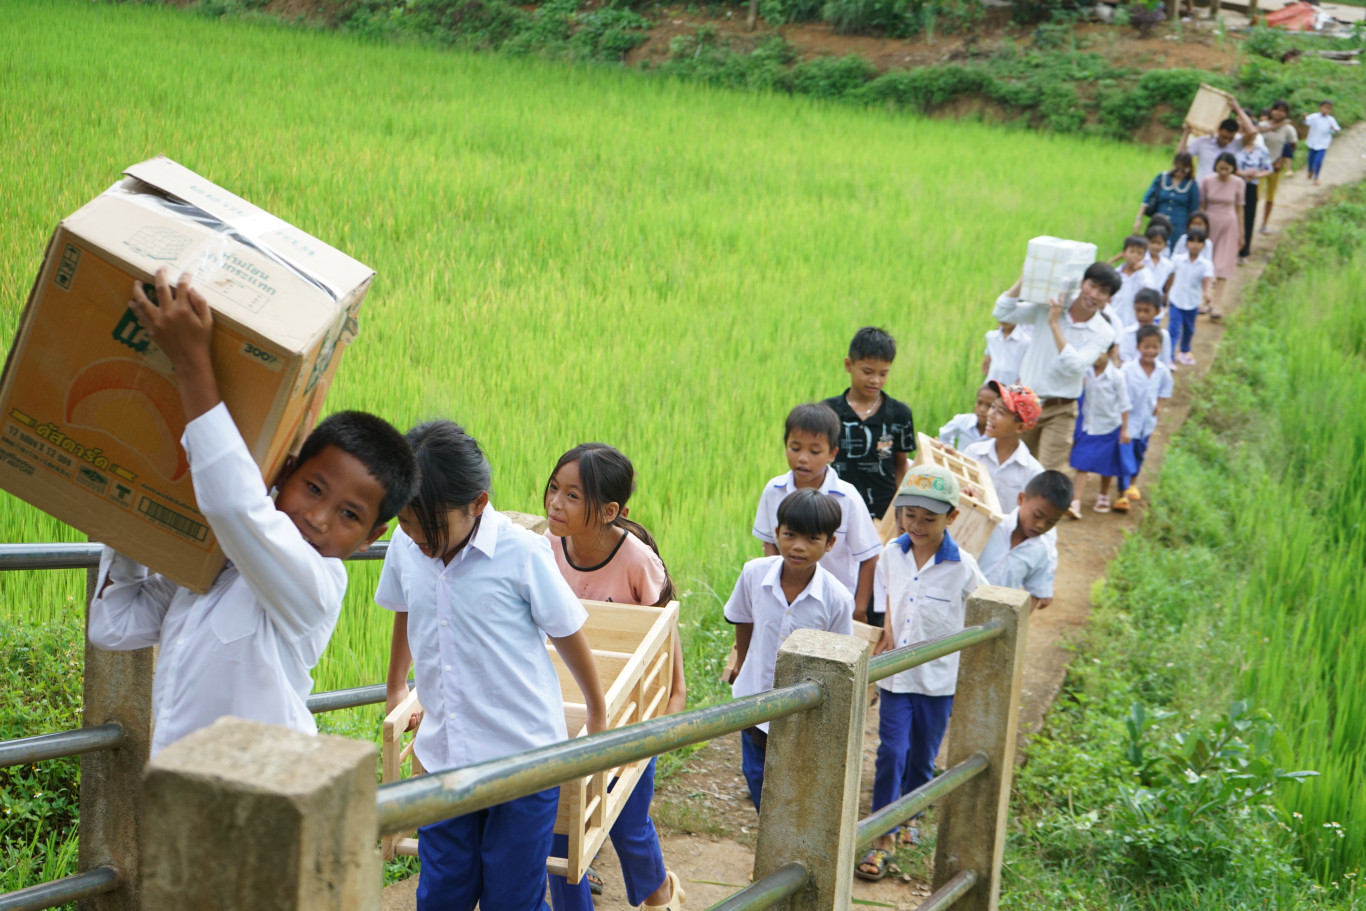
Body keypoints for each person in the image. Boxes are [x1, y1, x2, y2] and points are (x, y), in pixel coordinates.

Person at [88, 269, 419, 758]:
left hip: (265, 804)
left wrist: (191, 360)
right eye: (313, 488)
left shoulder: (317, 586)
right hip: (185, 798)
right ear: (284, 473)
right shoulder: (218, 560)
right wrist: (140, 502)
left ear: (371, 537)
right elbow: (113, 623)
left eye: (349, 515)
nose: (320, 518)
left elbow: (233, 504)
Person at [379, 421, 608, 911]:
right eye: (405, 522)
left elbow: (567, 631)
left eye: (429, 526)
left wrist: (596, 711)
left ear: (477, 504)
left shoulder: (520, 552)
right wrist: (398, 685)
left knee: (512, 898)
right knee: (442, 893)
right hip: (444, 757)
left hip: (522, 761)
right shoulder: (406, 545)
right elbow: (403, 608)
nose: (417, 536)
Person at [542, 444, 686, 911]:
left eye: (572, 496)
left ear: (608, 511)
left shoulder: (637, 561)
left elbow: (664, 638)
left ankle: (661, 895)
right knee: (562, 830)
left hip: (628, 708)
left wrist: (672, 703)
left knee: (627, 822)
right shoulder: (545, 549)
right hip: (564, 707)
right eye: (554, 489)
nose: (555, 504)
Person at [856, 466, 986, 881]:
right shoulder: (891, 555)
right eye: (908, 514)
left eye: (928, 518)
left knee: (923, 755)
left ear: (952, 518)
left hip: (939, 680)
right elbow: (887, 603)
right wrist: (886, 635)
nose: (916, 525)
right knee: (891, 751)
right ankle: (883, 837)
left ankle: (913, 811)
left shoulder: (964, 568)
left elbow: (987, 608)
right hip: (897, 676)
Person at [727, 489, 853, 811]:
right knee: (756, 773)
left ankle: (784, 852)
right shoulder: (754, 573)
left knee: (793, 782)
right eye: (790, 535)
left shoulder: (836, 599)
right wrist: (741, 661)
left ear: (830, 544)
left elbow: (840, 657)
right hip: (756, 695)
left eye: (812, 539)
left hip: (804, 710)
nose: (798, 546)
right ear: (777, 532)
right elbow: (742, 618)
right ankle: (770, 848)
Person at [753, 403, 881, 621]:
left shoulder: (846, 497)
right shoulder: (774, 490)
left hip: (833, 608)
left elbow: (869, 556)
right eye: (795, 448)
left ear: (832, 453)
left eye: (814, 451)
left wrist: (859, 609)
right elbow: (770, 544)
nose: (803, 458)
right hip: (787, 604)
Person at [993, 262, 1121, 473]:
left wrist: (1054, 324)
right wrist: (1025, 277)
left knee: (1046, 474)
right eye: (1092, 285)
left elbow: (1075, 365)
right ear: (1082, 283)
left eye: (1103, 291)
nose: (1094, 294)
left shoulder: (1104, 332)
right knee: (1013, 467)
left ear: (1109, 299)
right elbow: (1003, 312)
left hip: (1060, 409)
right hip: (1025, 404)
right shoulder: (1050, 306)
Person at [823, 327, 916, 526]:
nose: (875, 380)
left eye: (883, 374)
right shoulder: (828, 412)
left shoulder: (899, 415)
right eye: (867, 372)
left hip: (884, 512)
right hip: (836, 508)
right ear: (849, 364)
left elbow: (901, 465)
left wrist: (903, 509)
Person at [977, 469, 1071, 612]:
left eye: (1051, 522)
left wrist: (1012, 621)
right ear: (1021, 499)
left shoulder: (1042, 552)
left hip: (991, 619)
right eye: (1037, 515)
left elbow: (1035, 593)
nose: (1041, 525)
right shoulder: (990, 525)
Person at [1068, 344, 1131, 517]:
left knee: (1107, 464)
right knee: (1082, 463)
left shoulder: (1117, 377)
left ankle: (1103, 495)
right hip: (1089, 424)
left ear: (1110, 352)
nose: (1095, 357)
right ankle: (1075, 501)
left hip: (1109, 425)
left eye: (1100, 352)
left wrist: (1124, 430)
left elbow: (1125, 404)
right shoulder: (1085, 373)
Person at [962, 382, 1044, 511]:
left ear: (1021, 427)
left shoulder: (1032, 472)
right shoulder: (973, 452)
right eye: (993, 406)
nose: (990, 414)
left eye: (1000, 412)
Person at [1120, 326, 1173, 504]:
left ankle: (1132, 483)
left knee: (1139, 453)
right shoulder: (1127, 369)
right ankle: (1123, 489)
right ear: (1138, 347)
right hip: (1128, 419)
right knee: (1124, 453)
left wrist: (1159, 404)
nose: (1151, 351)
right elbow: (1120, 393)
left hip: (1147, 421)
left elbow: (1166, 388)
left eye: (1155, 347)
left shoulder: (1162, 370)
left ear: (1160, 348)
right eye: (1146, 346)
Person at [1197, 152, 1245, 319]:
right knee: (1206, 263)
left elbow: (1240, 208)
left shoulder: (1238, 183)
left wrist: (1241, 232)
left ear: (1233, 169)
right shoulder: (1207, 181)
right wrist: (1198, 228)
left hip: (1229, 225)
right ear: (1215, 166)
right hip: (1209, 224)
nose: (1223, 172)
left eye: (1227, 169)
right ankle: (1204, 300)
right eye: (1220, 168)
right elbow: (1202, 206)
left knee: (1223, 265)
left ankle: (1216, 304)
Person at [1134, 152, 1200, 250]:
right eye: (1177, 168)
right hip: (1158, 223)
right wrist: (1138, 219)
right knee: (1153, 249)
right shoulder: (1162, 177)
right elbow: (1147, 198)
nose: (1179, 172)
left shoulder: (1191, 184)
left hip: (1179, 227)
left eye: (1184, 170)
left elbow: (1194, 209)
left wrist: (1191, 229)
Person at [1179, 103, 1259, 182]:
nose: (1226, 141)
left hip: (1223, 191)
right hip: (1202, 188)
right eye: (1224, 137)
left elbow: (1252, 132)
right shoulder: (1203, 141)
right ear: (1218, 130)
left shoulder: (1236, 144)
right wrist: (1186, 133)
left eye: (1230, 138)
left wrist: (1237, 109)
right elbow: (1181, 155)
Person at [1258, 100, 1298, 234]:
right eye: (1277, 109)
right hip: (1259, 167)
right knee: (1255, 196)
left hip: (1275, 167)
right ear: (1271, 110)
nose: (1279, 113)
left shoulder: (1288, 129)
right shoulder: (1262, 125)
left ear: (1286, 113)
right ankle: (1249, 221)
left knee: (1270, 196)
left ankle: (1264, 224)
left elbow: (1293, 145)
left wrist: (1282, 159)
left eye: (1282, 111)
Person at [1234, 130, 1273, 263]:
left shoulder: (1262, 150)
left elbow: (1268, 169)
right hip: (1235, 184)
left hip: (1251, 186)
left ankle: (1243, 252)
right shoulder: (1236, 148)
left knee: (1248, 218)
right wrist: (1243, 173)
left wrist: (1255, 175)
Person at [1108, 234, 1156, 331]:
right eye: (1132, 251)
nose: (1135, 256)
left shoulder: (1145, 274)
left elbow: (1150, 290)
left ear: (1143, 256)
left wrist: (1140, 272)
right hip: (1115, 320)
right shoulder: (1115, 274)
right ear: (1124, 253)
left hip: (1135, 322)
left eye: (1139, 253)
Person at [1119, 289, 1172, 371]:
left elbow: (1165, 363)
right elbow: (1125, 360)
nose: (1141, 315)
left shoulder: (1163, 335)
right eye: (1138, 310)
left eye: (1146, 311)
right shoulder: (1127, 333)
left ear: (1158, 311)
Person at [937, 384, 997, 450]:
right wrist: (948, 447)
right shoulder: (963, 421)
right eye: (979, 403)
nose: (982, 409)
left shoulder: (997, 433)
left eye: (989, 405)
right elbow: (944, 435)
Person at [982, 320, 1033, 386]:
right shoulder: (991, 336)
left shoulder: (1026, 341)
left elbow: (1028, 368)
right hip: (992, 383)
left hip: (1012, 385)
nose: (1006, 320)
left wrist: (1017, 387)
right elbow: (987, 361)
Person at [1304, 100, 1342, 186]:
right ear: (1320, 107)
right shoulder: (1314, 117)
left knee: (1318, 161)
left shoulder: (1331, 120)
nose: (1326, 110)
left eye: (1329, 109)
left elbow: (1337, 130)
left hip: (1323, 144)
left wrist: (1334, 128)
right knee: (1310, 160)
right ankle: (1310, 170)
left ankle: (1316, 177)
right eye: (1325, 108)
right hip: (1312, 142)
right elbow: (1306, 121)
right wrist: (1304, 117)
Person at [1142, 225, 1173, 305]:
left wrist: (1167, 292)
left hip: (1157, 302)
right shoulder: (1141, 261)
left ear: (1165, 245)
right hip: (1140, 300)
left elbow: (1172, 275)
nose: (1155, 246)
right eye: (1152, 242)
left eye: (1159, 243)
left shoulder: (1167, 264)